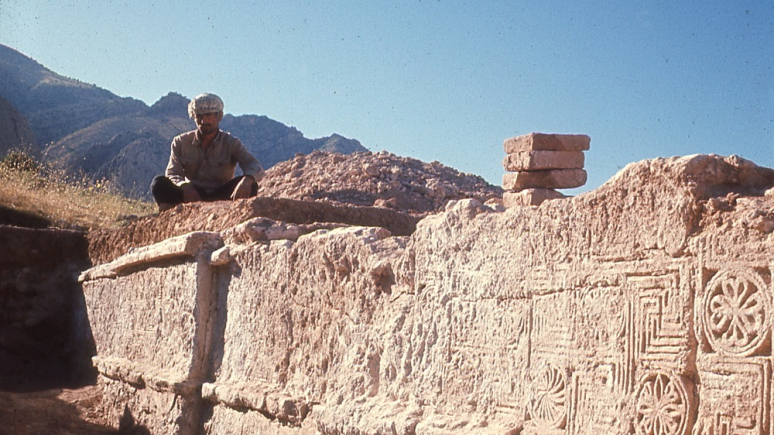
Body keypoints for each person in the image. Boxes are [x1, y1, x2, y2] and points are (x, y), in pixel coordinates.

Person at [151, 93, 264, 211]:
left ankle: (233, 213)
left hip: (222, 195)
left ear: (218, 116)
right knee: (159, 183)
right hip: (191, 195)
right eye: (199, 116)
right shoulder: (180, 142)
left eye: (209, 115)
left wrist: (247, 180)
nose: (204, 121)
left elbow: (254, 165)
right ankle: (171, 214)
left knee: (251, 186)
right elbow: (173, 173)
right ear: (194, 118)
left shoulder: (231, 143)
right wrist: (184, 186)